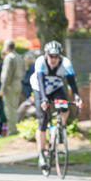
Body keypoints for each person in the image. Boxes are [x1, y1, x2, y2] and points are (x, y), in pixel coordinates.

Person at [29, 40, 83, 170]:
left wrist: (77, 97)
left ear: (60, 56)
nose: (53, 59)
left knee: (65, 108)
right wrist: (43, 99)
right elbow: (40, 82)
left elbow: (72, 83)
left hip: (56, 88)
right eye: (51, 56)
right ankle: (41, 154)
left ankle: (60, 128)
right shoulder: (40, 62)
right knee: (42, 121)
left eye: (56, 56)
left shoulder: (66, 63)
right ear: (46, 55)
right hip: (39, 88)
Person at [0, 39, 25, 135]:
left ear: (6, 47)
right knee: (15, 107)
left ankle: (12, 130)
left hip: (10, 85)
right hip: (18, 83)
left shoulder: (9, 57)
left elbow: (6, 75)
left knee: (9, 109)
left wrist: (2, 88)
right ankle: (16, 128)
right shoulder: (19, 56)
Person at [17, 52, 36, 122]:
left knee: (21, 111)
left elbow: (28, 81)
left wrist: (21, 80)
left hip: (31, 94)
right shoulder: (31, 67)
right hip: (29, 94)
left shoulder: (32, 68)